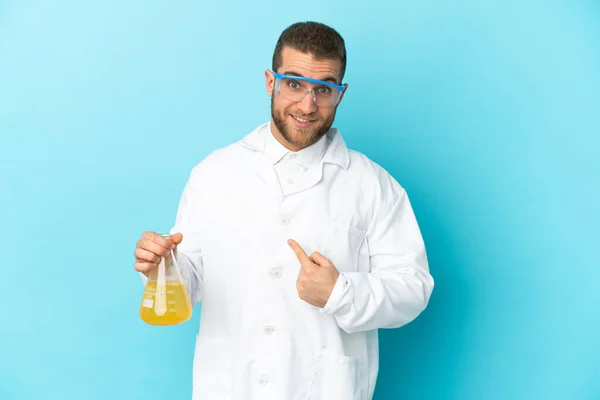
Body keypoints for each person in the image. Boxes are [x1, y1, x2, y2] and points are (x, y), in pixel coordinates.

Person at [134, 21, 434, 400]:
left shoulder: (373, 186)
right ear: (270, 82)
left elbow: (413, 288)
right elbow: (190, 281)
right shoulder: (214, 173)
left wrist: (341, 292)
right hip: (229, 387)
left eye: (324, 89)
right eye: (294, 84)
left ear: (341, 94)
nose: (308, 105)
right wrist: (163, 263)